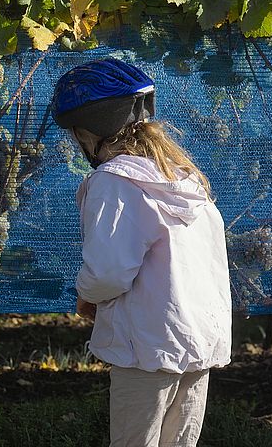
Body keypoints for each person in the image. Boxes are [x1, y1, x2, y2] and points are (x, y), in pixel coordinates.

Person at [51, 57, 232, 447]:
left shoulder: (113, 182)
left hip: (147, 348)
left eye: (76, 134)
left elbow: (107, 272)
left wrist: (87, 295)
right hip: (197, 342)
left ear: (89, 130)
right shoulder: (182, 178)